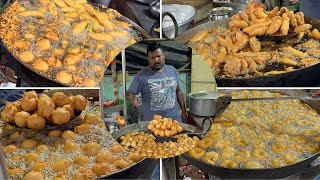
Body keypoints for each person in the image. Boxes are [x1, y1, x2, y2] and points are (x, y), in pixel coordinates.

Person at [126, 42, 188, 123]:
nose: (156, 60)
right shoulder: (141, 75)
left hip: (174, 122)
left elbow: (178, 91)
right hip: (153, 124)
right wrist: (132, 98)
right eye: (152, 58)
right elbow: (128, 93)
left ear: (164, 56)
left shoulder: (172, 70)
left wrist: (184, 112)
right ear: (148, 59)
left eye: (159, 56)